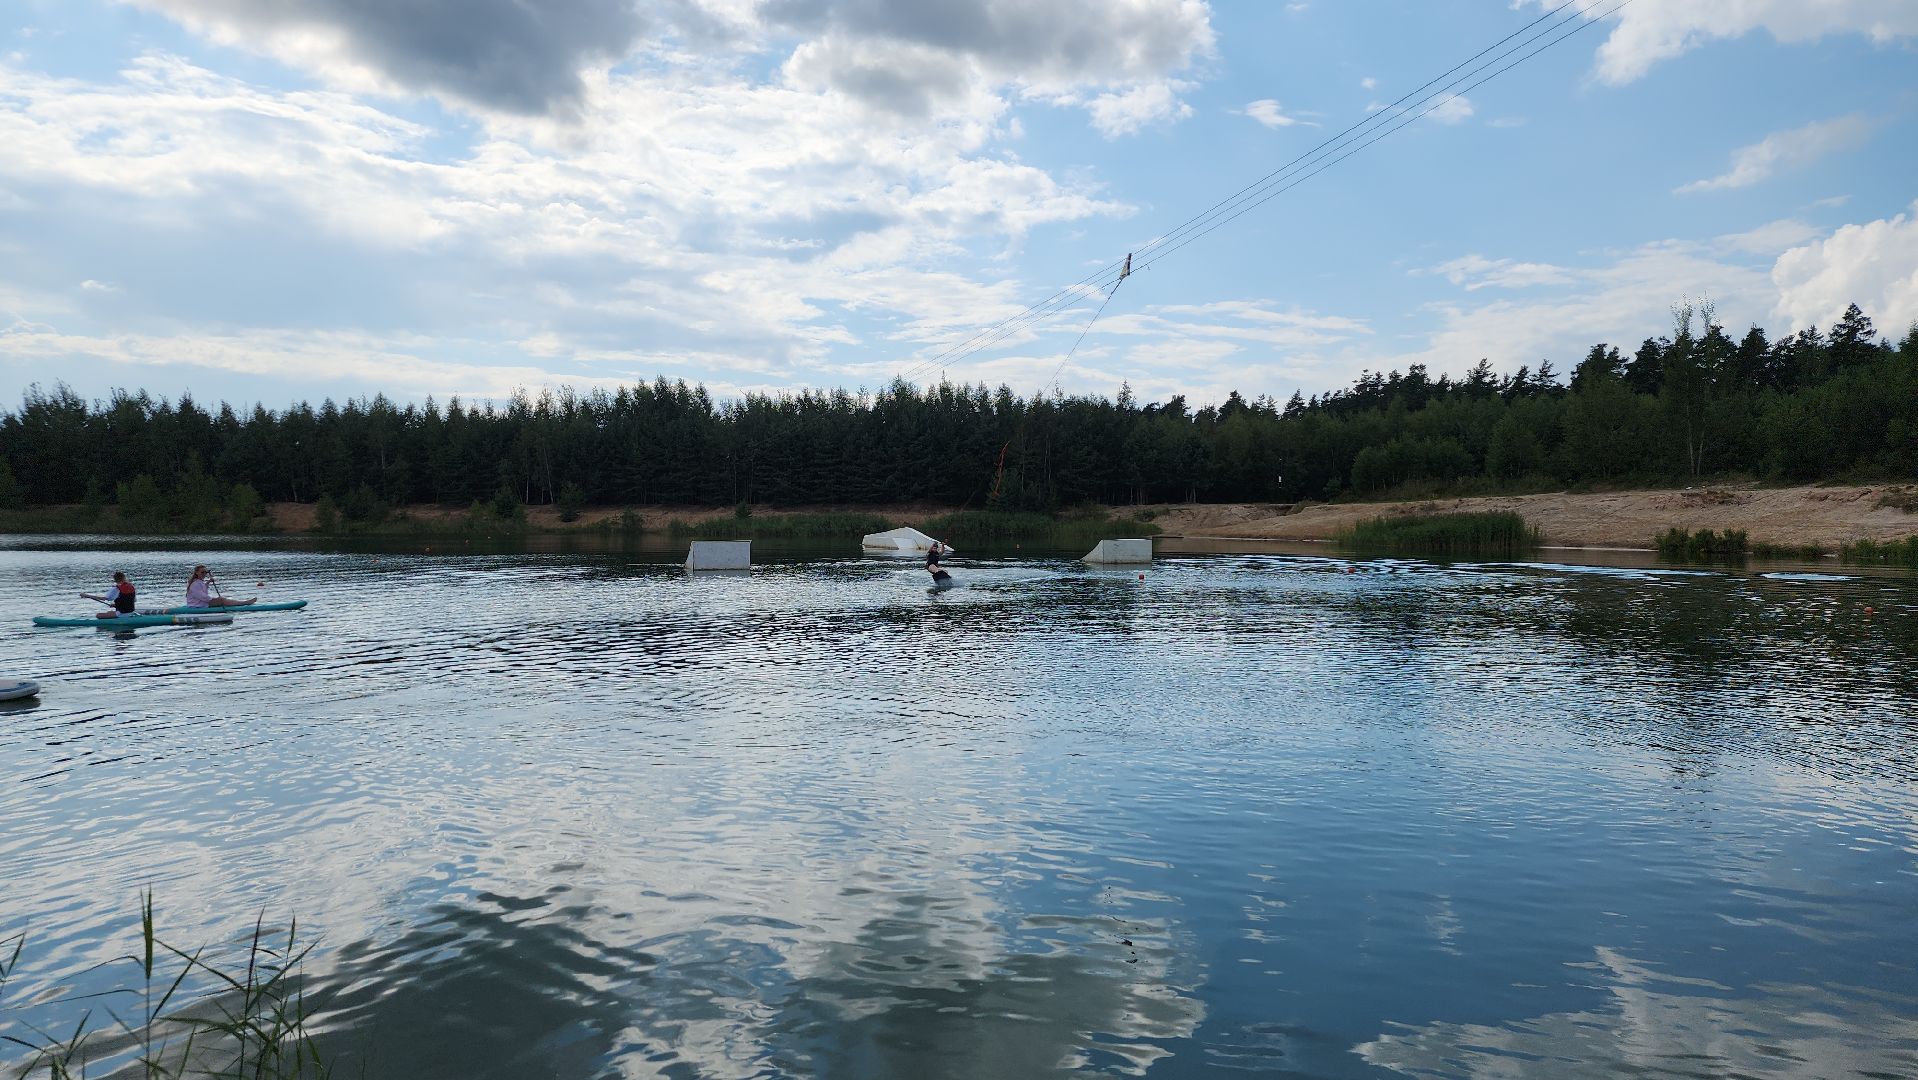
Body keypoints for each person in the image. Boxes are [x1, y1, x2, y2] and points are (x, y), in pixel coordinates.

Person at [186, 565, 255, 608]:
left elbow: (203, 589)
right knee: (221, 600)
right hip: (197, 605)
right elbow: (202, 596)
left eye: (205, 572)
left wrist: (208, 582)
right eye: (202, 572)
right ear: (197, 572)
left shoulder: (199, 581)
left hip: (200, 602)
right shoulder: (195, 583)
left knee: (221, 599)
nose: (204, 574)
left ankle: (241, 602)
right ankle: (244, 603)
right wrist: (214, 599)